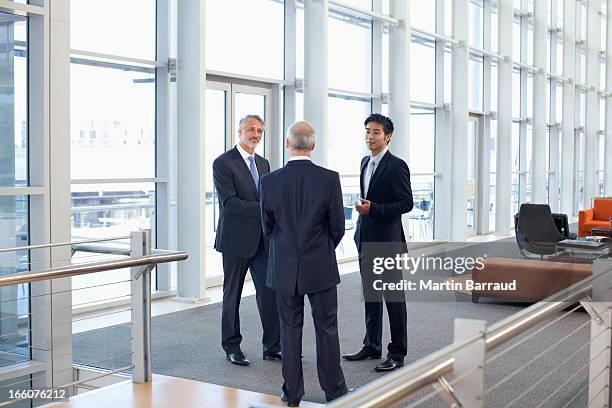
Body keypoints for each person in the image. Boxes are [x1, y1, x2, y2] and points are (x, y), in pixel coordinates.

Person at [260, 121, 348, 406]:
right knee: (327, 327)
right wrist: (322, 249)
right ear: (313, 145)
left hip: (284, 267)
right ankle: (334, 392)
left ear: (288, 144)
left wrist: (287, 250)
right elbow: (338, 227)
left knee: (289, 330)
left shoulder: (269, 181)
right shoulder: (329, 178)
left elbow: (267, 227)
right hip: (320, 266)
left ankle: (292, 393)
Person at [343, 113, 413, 372]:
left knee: (393, 299)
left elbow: (406, 203)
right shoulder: (365, 161)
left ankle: (397, 352)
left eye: (375, 132)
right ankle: (372, 345)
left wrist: (374, 209)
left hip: (386, 242)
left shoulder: (397, 166)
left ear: (388, 136)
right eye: (367, 131)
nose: (369, 136)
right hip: (365, 238)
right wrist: (364, 209)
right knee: (371, 296)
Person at [213, 114, 281, 366]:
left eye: (260, 131)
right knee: (233, 294)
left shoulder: (263, 163)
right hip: (235, 240)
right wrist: (264, 207)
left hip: (262, 240)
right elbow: (229, 203)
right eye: (251, 130)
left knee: (269, 292)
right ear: (239, 132)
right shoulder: (223, 163)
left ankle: (272, 346)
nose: (256, 135)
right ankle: (232, 347)